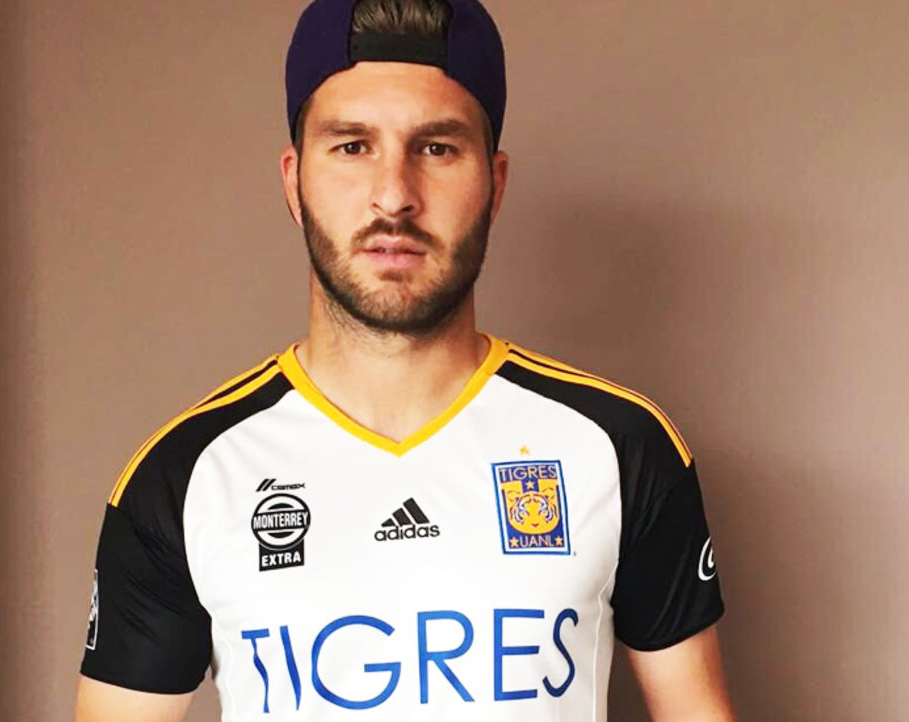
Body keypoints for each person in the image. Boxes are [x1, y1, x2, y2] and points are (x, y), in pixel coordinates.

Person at [74, 0, 737, 720]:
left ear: (496, 184)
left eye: (437, 148)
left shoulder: (618, 444)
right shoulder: (187, 475)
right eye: (352, 146)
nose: (393, 196)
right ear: (294, 182)